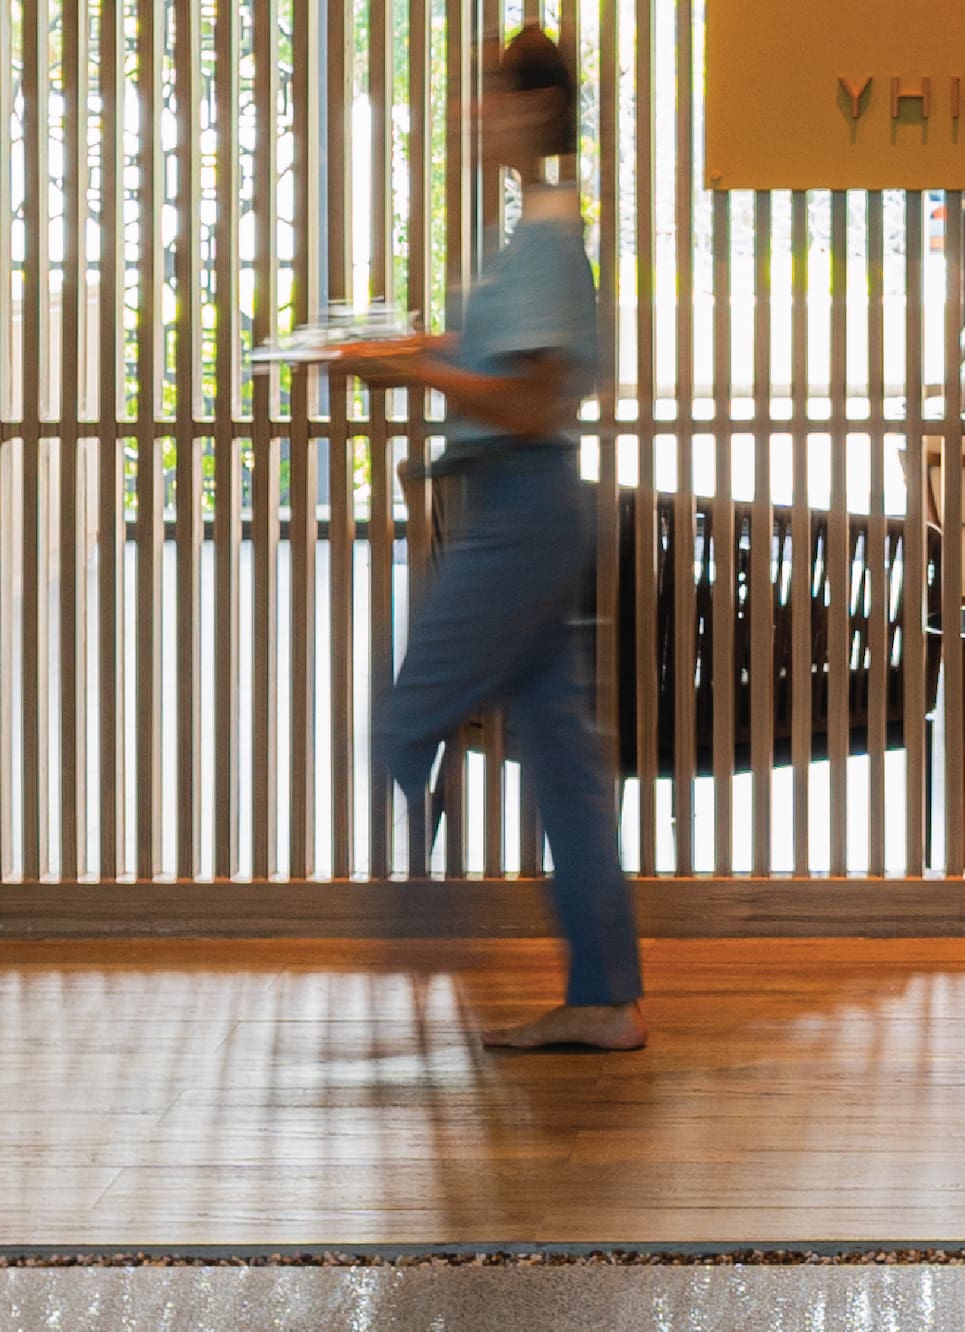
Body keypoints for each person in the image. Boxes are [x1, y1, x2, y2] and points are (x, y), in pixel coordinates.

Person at [333, 24, 645, 1051]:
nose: (471, 112)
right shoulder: (533, 233)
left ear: (531, 109)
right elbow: (499, 362)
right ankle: (604, 1002)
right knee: (562, 764)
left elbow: (524, 404)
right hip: (526, 510)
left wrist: (413, 371)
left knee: (403, 716)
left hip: (519, 511)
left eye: (486, 94)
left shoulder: (551, 236)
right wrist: (415, 346)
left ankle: (429, 932)